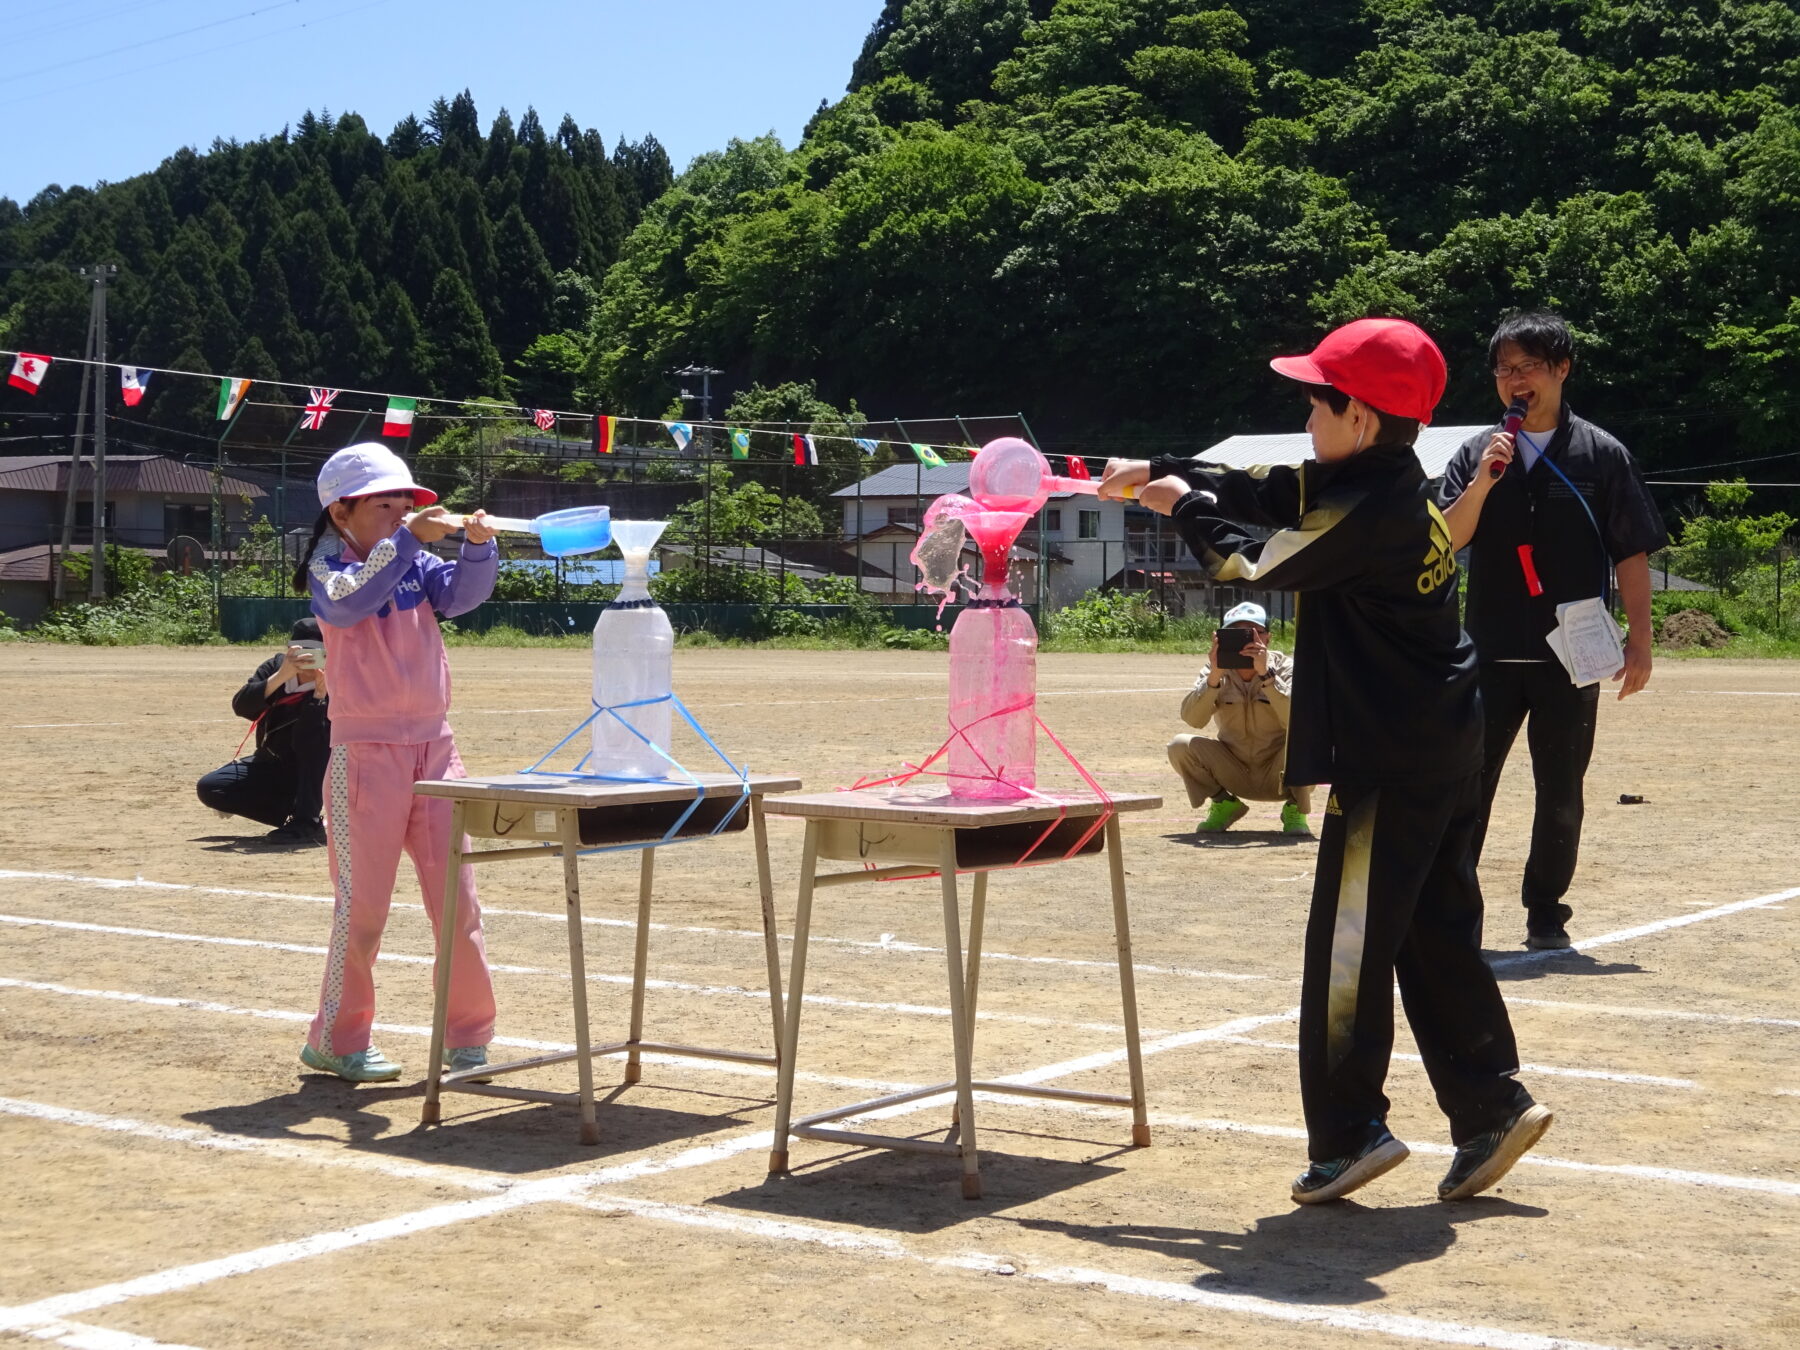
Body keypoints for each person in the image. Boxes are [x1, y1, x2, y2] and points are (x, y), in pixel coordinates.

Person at [1100, 317, 1549, 1205]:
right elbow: (1266, 485)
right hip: (1442, 741)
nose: (1307, 417)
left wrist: (1178, 505)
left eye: (1317, 402)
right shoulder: (1385, 480)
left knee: (1346, 951)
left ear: (1364, 416)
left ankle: (1350, 1134)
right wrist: (1158, 469)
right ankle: (1491, 1107)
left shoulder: (1366, 510)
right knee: (1431, 935)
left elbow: (1248, 563)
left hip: (1393, 757)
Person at [1438, 311, 1667, 950]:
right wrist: (1485, 479)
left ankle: (1546, 914)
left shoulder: (1602, 455)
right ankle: (1457, 915)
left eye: (1528, 366)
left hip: (1575, 656)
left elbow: (1631, 553)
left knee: (1561, 792)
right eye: (1503, 370)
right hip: (1486, 653)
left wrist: (1642, 639)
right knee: (1466, 790)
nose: (1514, 379)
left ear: (1561, 370)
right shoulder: (1474, 453)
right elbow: (1450, 537)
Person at [292, 442, 500, 1085]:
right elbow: (350, 603)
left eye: (406, 502)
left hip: (436, 748)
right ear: (342, 510)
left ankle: (467, 1035)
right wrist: (409, 540)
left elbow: (462, 597)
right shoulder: (328, 569)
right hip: (366, 754)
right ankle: (337, 1039)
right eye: (386, 502)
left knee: (456, 900)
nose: (401, 511)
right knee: (363, 908)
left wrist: (477, 549)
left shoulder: (414, 559)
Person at [1167, 601, 1311, 836]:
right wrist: (1214, 677)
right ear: (1220, 639)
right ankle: (1224, 803)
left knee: (1311, 739)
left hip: (1280, 772)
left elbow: (1297, 720)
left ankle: (1296, 807)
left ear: (1268, 638)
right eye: (1236, 634)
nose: (1247, 641)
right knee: (1179, 745)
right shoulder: (1214, 669)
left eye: (1255, 633)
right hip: (1233, 768)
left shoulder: (1286, 667)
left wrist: (1267, 675)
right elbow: (1193, 718)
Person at [196, 618, 331, 845]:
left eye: (317, 653)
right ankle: (293, 813)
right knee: (211, 788)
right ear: (290, 650)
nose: (309, 659)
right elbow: (241, 707)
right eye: (302, 651)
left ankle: (306, 821)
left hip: (317, 768)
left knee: (315, 748)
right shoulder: (275, 667)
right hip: (273, 761)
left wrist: (319, 696)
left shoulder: (339, 680)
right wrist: (280, 677)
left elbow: (314, 741)